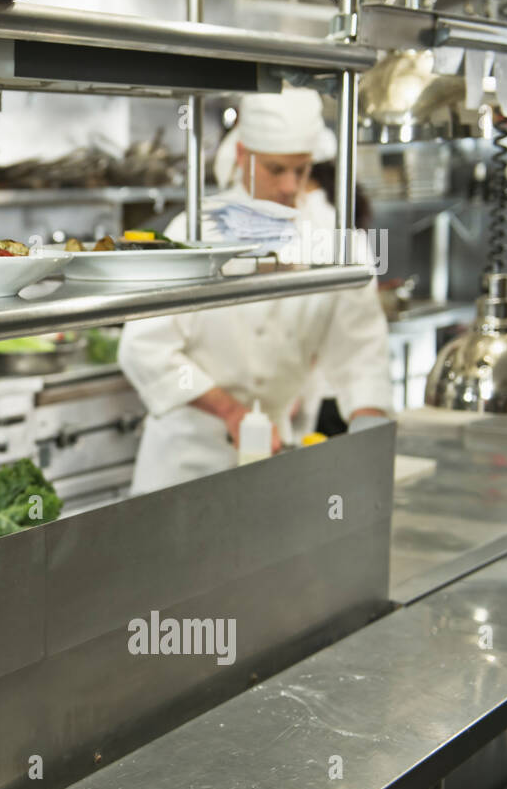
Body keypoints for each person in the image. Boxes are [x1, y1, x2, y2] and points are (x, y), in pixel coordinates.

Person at [118, 87, 392, 496]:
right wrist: (231, 412)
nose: (289, 186)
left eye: (300, 171)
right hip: (186, 460)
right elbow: (144, 349)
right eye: (275, 169)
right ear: (243, 156)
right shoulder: (191, 232)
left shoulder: (335, 241)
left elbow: (361, 352)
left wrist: (370, 436)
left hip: (278, 455)